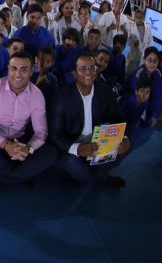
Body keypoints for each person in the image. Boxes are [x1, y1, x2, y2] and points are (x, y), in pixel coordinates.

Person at [0, 51, 59, 187]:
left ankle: (1, 178)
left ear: (31, 71)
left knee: (51, 153)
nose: (18, 74)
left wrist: (28, 148)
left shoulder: (36, 95)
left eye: (24, 70)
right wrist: (6, 145)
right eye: (14, 69)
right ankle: (20, 175)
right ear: (8, 69)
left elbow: (41, 132)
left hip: (21, 142)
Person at [49, 53, 130, 187]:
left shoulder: (105, 90)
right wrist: (77, 149)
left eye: (92, 68)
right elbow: (55, 135)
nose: (89, 72)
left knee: (123, 150)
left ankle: (86, 175)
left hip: (97, 140)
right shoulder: (61, 97)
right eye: (83, 68)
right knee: (71, 163)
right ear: (74, 73)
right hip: (71, 143)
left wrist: (125, 138)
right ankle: (101, 178)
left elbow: (118, 118)